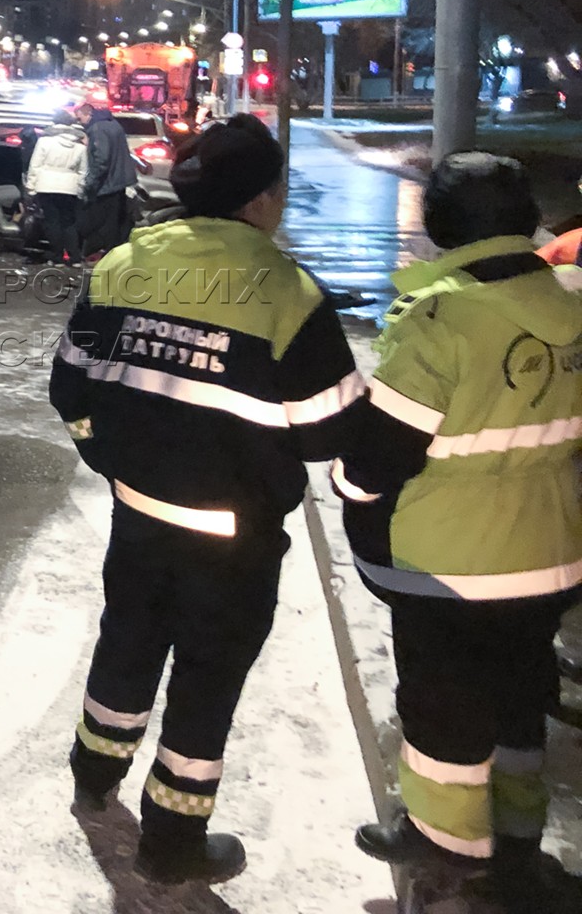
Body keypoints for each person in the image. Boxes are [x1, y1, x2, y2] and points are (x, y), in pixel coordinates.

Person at [49, 114, 368, 885]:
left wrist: (108, 458)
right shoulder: (287, 294)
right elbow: (328, 432)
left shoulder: (123, 265)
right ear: (257, 200)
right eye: (279, 189)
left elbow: (69, 388)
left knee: (125, 645)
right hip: (233, 539)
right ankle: (170, 843)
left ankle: (93, 776)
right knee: (206, 681)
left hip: (138, 514)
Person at [335, 153, 582, 911]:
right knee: (519, 700)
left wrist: (348, 488)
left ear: (440, 227)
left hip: (448, 565)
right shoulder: (573, 301)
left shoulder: (441, 320)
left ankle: (448, 850)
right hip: (552, 554)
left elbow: (376, 459)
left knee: (444, 709)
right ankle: (517, 845)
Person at [74, 99, 137, 259]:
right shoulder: (113, 124)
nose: (80, 123)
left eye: (80, 118)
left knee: (101, 221)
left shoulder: (97, 128)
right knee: (114, 220)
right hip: (119, 181)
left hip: (107, 183)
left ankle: (103, 253)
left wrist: (91, 182)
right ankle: (113, 252)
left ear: (88, 114)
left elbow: (101, 159)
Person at [23, 117, 88, 264]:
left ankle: (57, 256)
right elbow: (83, 171)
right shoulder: (80, 147)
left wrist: (31, 188)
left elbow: (35, 166)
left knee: (52, 222)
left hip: (46, 186)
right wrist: (80, 190)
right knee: (69, 222)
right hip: (70, 188)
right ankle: (74, 257)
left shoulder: (44, 142)